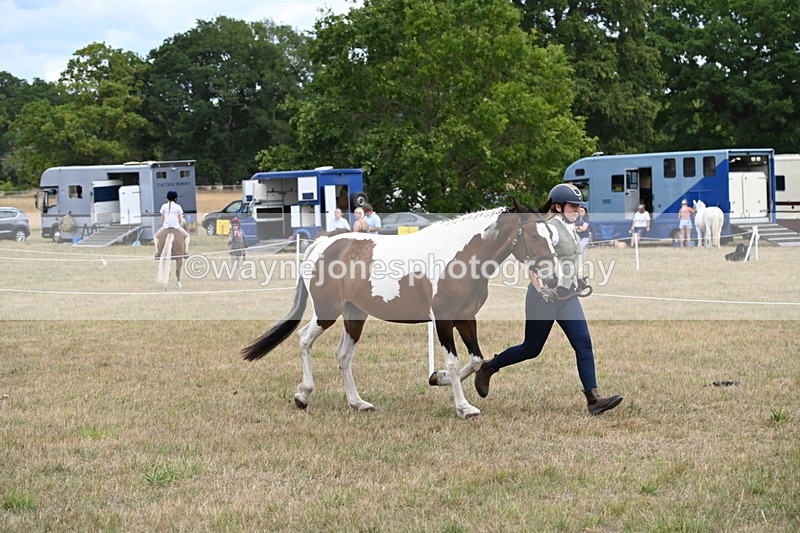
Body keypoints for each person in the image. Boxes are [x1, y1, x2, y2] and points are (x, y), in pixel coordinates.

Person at [474, 183, 623, 416]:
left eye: (578, 206)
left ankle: (593, 399)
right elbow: (533, 263)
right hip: (542, 298)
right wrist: (542, 289)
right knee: (531, 348)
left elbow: (568, 261)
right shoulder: (548, 229)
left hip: (567, 297)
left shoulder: (570, 227)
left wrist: (578, 278)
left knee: (583, 344)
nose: (578, 210)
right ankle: (489, 367)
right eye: (573, 206)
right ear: (558, 206)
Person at [154, 190, 190, 259]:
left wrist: (166, 223)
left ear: (167, 198)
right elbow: (180, 219)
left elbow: (162, 218)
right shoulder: (178, 206)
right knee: (187, 236)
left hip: (165, 227)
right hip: (176, 227)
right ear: (175, 198)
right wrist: (179, 225)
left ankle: (158, 253)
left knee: (155, 237)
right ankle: (185, 252)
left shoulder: (163, 206)